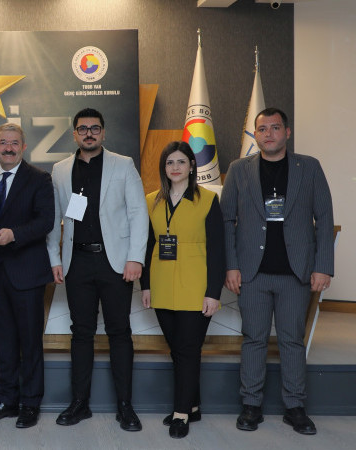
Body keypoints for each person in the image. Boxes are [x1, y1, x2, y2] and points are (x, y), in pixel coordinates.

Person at [221, 107, 334, 436]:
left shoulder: (309, 167)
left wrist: (323, 266)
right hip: (252, 273)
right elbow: (226, 220)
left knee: (291, 341)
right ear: (254, 135)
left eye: (274, 128)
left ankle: (295, 407)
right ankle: (251, 405)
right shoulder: (238, 169)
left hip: (295, 273)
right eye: (262, 129)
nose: (268, 134)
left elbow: (324, 218)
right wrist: (231, 265)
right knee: (254, 339)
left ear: (287, 132)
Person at [46, 107, 148, 431]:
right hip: (76, 262)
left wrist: (136, 258)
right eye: (82, 128)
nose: (88, 133)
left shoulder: (123, 164)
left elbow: (138, 213)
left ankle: (125, 406)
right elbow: (54, 219)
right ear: (74, 134)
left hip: (114, 262)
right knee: (81, 333)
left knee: (119, 332)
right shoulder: (60, 170)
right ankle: (80, 403)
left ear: (103, 132)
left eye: (94, 128)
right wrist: (55, 259)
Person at [139, 141, 224, 439]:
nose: (175, 167)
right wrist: (145, 285)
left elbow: (218, 249)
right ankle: (193, 405)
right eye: (169, 162)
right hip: (162, 284)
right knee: (178, 350)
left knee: (188, 350)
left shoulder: (208, 200)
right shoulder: (151, 200)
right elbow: (147, 245)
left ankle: (181, 413)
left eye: (181, 162)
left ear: (191, 166)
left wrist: (213, 292)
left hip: (196, 287)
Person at [0, 123, 54, 429]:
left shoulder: (39, 178)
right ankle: (7, 401)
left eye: (14, 143)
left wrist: (14, 234)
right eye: (3, 143)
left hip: (27, 273)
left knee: (30, 343)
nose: (9, 148)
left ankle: (30, 404)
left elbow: (45, 221)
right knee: (4, 342)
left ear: (23, 147)